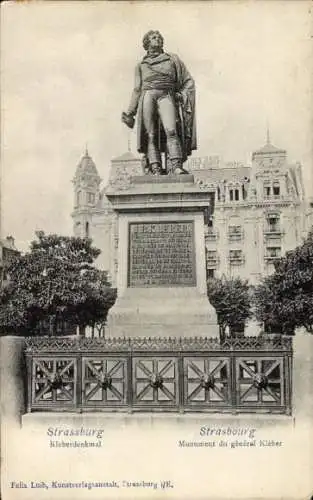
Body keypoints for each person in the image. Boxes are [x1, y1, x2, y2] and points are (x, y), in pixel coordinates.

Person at [122, 30, 197, 175]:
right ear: (147, 43)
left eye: (159, 37)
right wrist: (130, 112)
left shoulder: (172, 59)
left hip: (166, 95)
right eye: (153, 37)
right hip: (147, 96)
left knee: (171, 130)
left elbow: (188, 81)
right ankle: (155, 167)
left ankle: (176, 165)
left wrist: (181, 95)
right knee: (150, 134)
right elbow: (137, 89)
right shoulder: (140, 66)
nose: (158, 39)